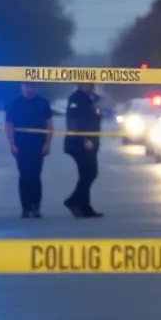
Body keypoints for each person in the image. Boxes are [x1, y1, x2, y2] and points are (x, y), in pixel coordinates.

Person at [5, 82, 54, 218]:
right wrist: (11, 144)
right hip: (21, 144)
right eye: (26, 86)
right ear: (21, 87)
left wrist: (48, 143)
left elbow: (49, 124)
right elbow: (9, 124)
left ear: (36, 88)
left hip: (38, 143)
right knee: (24, 175)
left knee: (36, 175)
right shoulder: (15, 103)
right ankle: (25, 207)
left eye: (31, 86)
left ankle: (35, 206)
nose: (28, 89)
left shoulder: (43, 103)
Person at [64, 82, 103, 218]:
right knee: (89, 173)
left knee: (87, 173)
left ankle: (85, 207)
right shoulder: (76, 98)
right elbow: (74, 121)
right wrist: (84, 139)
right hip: (79, 143)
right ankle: (73, 201)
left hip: (93, 141)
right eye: (87, 84)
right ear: (81, 84)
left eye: (92, 84)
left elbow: (95, 118)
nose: (90, 86)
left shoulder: (95, 98)